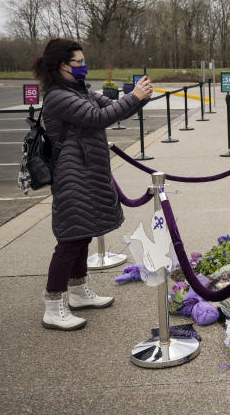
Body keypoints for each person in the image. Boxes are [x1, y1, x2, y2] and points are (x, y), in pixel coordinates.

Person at [33, 38, 152, 330]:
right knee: (70, 239)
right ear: (63, 65)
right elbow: (98, 117)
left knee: (82, 233)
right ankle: (53, 304)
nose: (84, 66)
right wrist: (134, 97)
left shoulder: (80, 90)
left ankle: (78, 290)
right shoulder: (58, 97)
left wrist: (140, 97)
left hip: (87, 171)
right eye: (79, 62)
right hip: (72, 173)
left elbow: (113, 108)